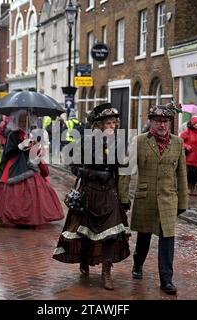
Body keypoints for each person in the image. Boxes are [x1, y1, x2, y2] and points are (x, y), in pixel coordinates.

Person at [53, 103, 131, 291]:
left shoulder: (118, 143)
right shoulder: (86, 142)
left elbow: (123, 172)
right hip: (90, 192)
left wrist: (124, 197)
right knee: (86, 232)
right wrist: (95, 174)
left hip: (109, 194)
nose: (112, 126)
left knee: (111, 234)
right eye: (108, 123)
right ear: (100, 125)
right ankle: (84, 261)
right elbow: (74, 167)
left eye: (114, 123)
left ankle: (106, 272)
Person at [118, 104, 188, 295]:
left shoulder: (178, 143)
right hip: (145, 197)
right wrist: (123, 197)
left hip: (168, 199)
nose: (162, 125)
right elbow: (126, 170)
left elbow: (182, 175)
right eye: (158, 121)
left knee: (167, 239)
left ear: (170, 123)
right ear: (151, 122)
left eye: (165, 121)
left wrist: (183, 202)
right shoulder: (139, 141)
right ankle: (138, 264)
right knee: (144, 237)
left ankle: (167, 279)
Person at [0, 110, 63, 226]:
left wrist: (37, 150)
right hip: (16, 167)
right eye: (21, 121)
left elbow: (37, 151)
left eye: (25, 121)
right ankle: (15, 217)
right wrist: (20, 146)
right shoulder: (12, 134)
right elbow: (8, 152)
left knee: (34, 192)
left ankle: (29, 217)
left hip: (30, 166)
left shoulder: (33, 134)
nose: (23, 123)